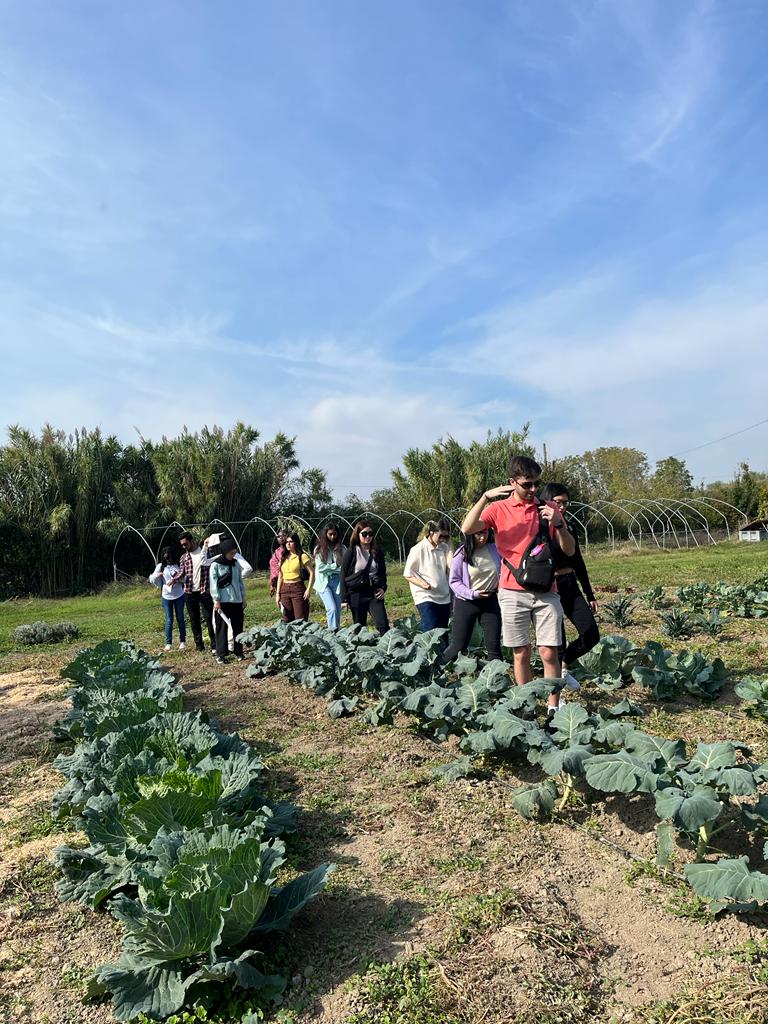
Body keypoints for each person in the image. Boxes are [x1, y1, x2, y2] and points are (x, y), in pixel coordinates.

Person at [461, 455, 576, 721]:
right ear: (512, 482)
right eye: (527, 484)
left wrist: (558, 523)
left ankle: (552, 708)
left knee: (549, 651)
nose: (534, 489)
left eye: (537, 483)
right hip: (512, 590)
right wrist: (485, 498)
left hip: (547, 589)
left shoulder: (548, 508)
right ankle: (525, 705)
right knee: (521, 651)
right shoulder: (498, 509)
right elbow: (467, 528)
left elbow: (569, 550)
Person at [538, 483, 599, 690]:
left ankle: (564, 666)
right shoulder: (537, 527)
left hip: (570, 584)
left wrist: (589, 594)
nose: (562, 507)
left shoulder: (569, 527)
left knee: (591, 633)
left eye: (565, 503)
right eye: (558, 502)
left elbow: (578, 562)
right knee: (557, 641)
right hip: (548, 587)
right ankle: (557, 693)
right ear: (547, 501)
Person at [441, 528, 502, 664]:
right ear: (471, 534)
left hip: (490, 601)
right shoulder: (462, 553)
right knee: (458, 646)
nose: (482, 537)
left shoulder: (495, 549)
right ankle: (437, 670)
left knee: (494, 646)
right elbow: (454, 581)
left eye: (485, 533)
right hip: (467, 603)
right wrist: (473, 594)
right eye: (478, 533)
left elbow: (503, 570)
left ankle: (497, 679)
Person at [403, 518, 453, 631]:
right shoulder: (418, 549)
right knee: (431, 630)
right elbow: (407, 573)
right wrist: (421, 583)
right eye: (441, 536)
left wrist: (450, 546)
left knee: (443, 632)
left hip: (444, 596)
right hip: (425, 596)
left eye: (446, 536)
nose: (443, 539)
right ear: (431, 532)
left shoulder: (444, 548)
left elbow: (451, 570)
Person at [340, 521, 389, 634]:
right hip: (356, 593)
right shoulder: (351, 552)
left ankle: (387, 648)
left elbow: (382, 573)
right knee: (360, 627)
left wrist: (383, 588)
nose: (368, 536)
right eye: (364, 534)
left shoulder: (377, 552)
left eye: (370, 534)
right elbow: (343, 575)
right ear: (357, 534)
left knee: (383, 624)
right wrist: (344, 599)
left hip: (373, 592)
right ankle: (360, 650)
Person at [210, 537, 252, 663]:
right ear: (224, 552)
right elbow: (213, 584)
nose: (233, 555)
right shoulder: (215, 565)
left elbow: (240, 582)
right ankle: (221, 654)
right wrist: (216, 600)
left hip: (236, 600)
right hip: (223, 601)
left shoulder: (235, 564)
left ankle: (239, 651)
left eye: (234, 553)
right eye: (231, 553)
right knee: (221, 628)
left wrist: (243, 598)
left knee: (238, 627)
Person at [178, 531, 215, 653]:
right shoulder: (184, 557)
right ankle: (199, 645)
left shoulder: (206, 552)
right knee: (194, 619)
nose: (184, 547)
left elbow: (213, 569)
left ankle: (214, 644)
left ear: (192, 541)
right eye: (182, 545)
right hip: (190, 592)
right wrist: (174, 579)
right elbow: (181, 573)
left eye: (185, 544)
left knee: (209, 617)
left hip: (204, 590)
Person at [149, 546, 186, 651]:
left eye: (169, 558)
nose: (168, 560)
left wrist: (177, 580)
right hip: (166, 596)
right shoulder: (161, 566)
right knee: (169, 619)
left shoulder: (179, 565)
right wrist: (157, 575)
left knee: (180, 618)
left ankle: (182, 641)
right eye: (166, 558)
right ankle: (168, 642)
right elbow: (151, 579)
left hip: (179, 594)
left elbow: (185, 578)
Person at [313, 522, 345, 629]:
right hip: (323, 582)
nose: (332, 537)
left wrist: (333, 567)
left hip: (337, 581)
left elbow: (344, 567)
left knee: (338, 609)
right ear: (325, 534)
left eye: (334, 534)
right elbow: (320, 568)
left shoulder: (342, 548)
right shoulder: (319, 549)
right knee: (332, 608)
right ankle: (333, 631)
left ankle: (337, 631)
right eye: (330, 534)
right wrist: (335, 565)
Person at [276, 533, 314, 622]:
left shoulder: (302, 556)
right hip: (285, 590)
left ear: (296, 543)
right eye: (287, 542)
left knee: (300, 619)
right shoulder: (283, 557)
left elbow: (312, 573)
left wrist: (308, 589)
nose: (288, 544)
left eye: (291, 542)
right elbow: (280, 576)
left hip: (298, 589)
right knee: (287, 618)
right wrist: (278, 594)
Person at [269, 530, 288, 598]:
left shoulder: (291, 551)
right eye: (278, 536)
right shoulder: (277, 552)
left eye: (283, 536)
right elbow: (272, 569)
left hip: (287, 581)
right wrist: (272, 584)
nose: (280, 537)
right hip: (277, 581)